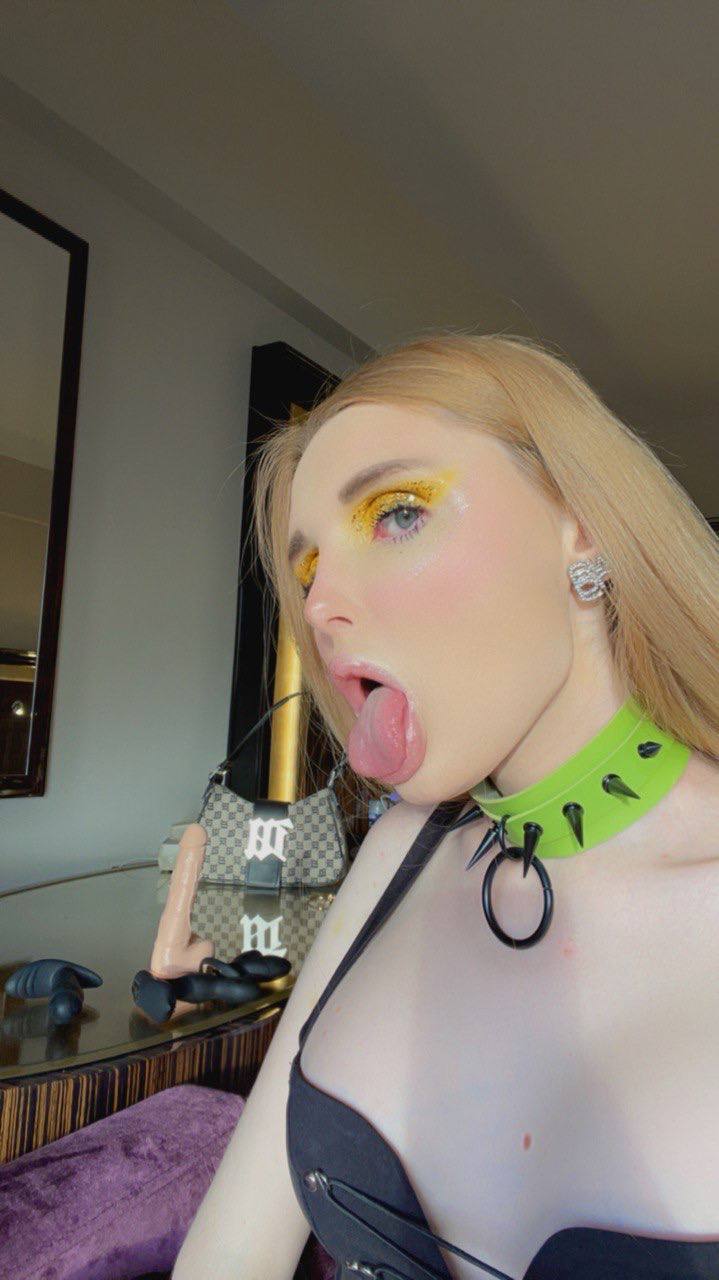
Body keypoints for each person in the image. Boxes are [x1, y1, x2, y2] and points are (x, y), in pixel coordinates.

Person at [173, 332, 719, 1280]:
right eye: (306, 570)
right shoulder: (402, 848)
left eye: (395, 514)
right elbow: (228, 1257)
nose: (321, 605)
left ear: (581, 525)